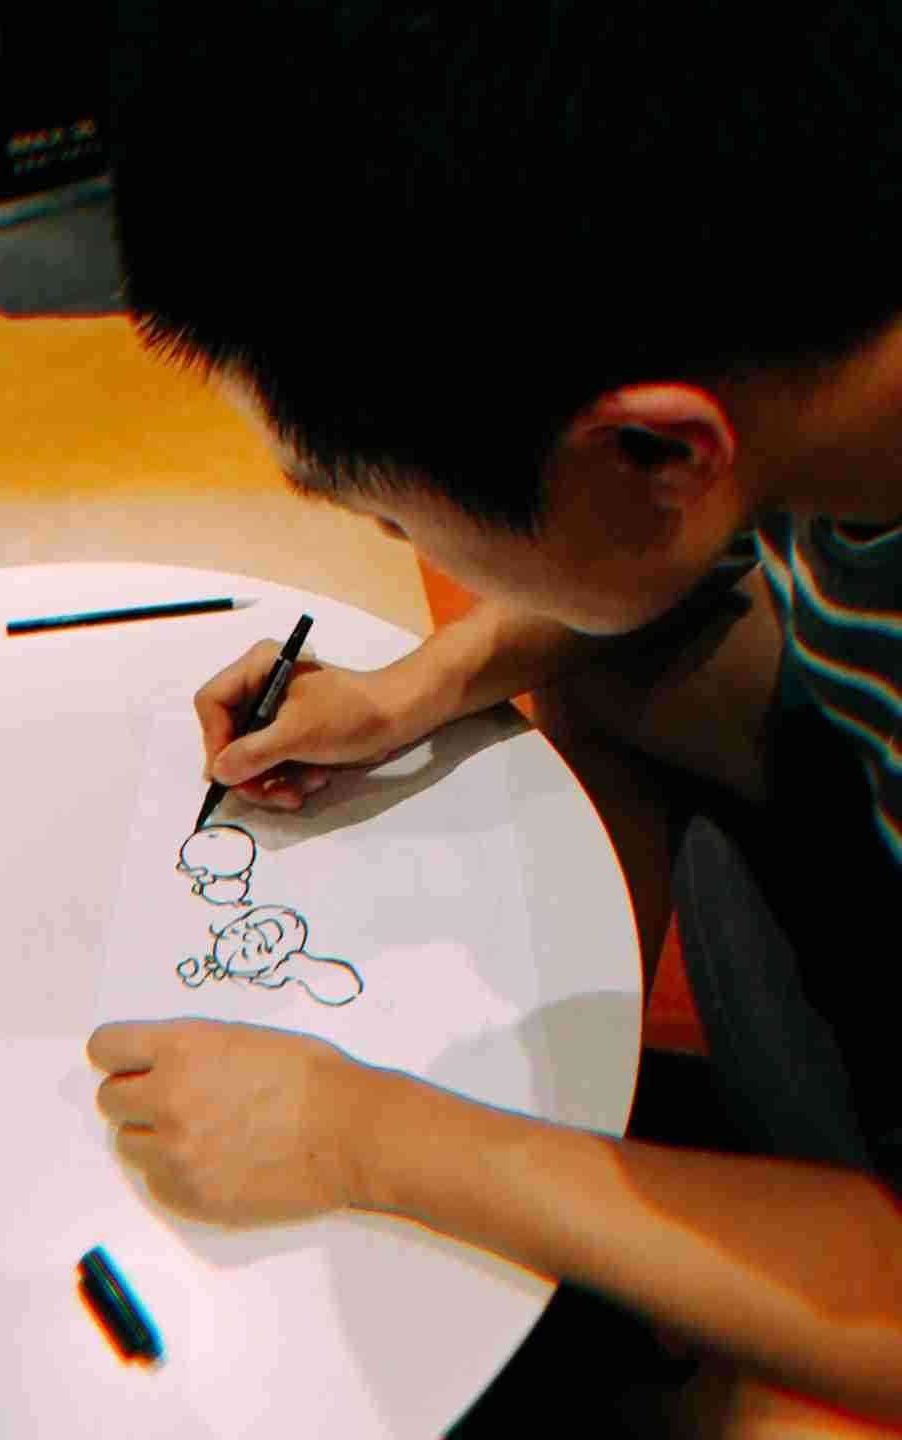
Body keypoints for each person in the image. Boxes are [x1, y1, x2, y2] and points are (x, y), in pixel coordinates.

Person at [87, 3, 902, 1431]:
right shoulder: (808, 363)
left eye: (390, 515)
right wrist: (421, 684)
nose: (406, 553)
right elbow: (694, 556)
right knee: (619, 665)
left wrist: (374, 1136)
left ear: (654, 448)